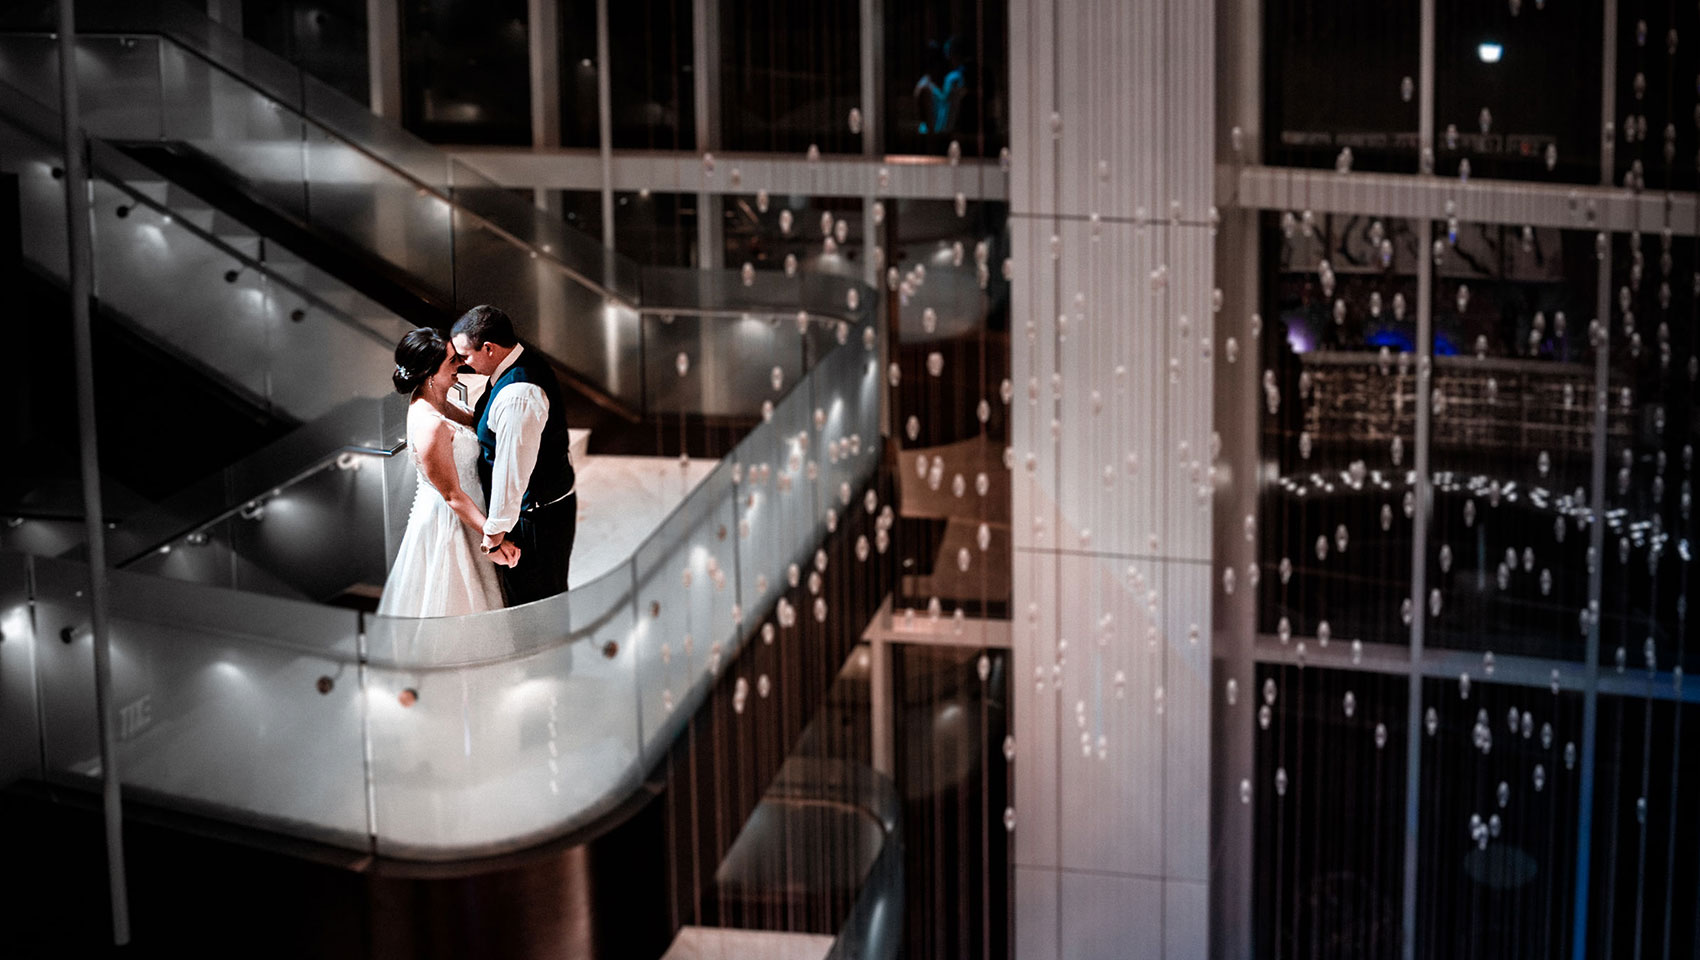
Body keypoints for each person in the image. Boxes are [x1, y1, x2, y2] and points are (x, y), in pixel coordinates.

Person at [376, 327, 517, 618]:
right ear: (430, 371)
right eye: (452, 361)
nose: (459, 365)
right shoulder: (430, 423)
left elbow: (479, 423)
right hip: (451, 522)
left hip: (470, 509)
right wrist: (494, 538)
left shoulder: (442, 401)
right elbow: (452, 495)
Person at [450, 305, 578, 605]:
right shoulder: (517, 366)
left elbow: (512, 473)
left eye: (466, 356)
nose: (462, 364)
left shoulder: (517, 394)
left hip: (536, 519)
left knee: (536, 606)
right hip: (539, 512)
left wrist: (494, 536)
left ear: (489, 348)